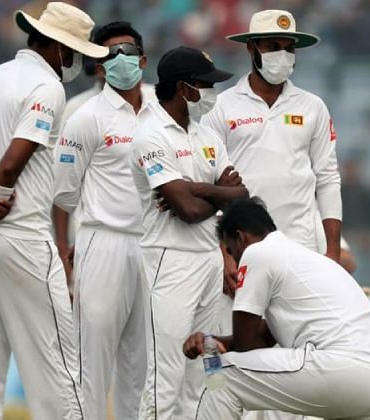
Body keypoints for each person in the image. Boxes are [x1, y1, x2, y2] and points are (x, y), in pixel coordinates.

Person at [0, 2, 107, 419]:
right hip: (21, 238)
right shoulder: (48, 88)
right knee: (58, 363)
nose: (77, 63)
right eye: (77, 53)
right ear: (60, 49)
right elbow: (10, 166)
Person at [183, 198, 370, 420]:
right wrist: (212, 341)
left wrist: (215, 349)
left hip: (345, 370)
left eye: (230, 251)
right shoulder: (305, 260)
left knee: (223, 376)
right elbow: (263, 338)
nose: (234, 260)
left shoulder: (257, 253)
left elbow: (245, 345)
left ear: (241, 238)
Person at [130, 46, 248, 420]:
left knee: (207, 371)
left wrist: (200, 189)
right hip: (169, 260)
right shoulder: (151, 135)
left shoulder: (206, 134)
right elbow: (188, 210)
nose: (211, 93)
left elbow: (241, 194)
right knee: (166, 376)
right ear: (184, 88)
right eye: (204, 85)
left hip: (210, 261)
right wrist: (215, 193)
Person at [201, 9, 342, 299]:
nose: (283, 55)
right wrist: (224, 254)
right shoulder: (222, 107)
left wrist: (333, 252)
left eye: (289, 49)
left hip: (301, 245)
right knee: (243, 338)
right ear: (252, 48)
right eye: (273, 47)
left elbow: (328, 179)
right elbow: (211, 186)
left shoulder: (312, 106)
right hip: (243, 247)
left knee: (299, 337)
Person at [52, 21, 152, 420]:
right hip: (102, 242)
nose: (121, 61)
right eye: (111, 55)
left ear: (143, 60)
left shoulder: (162, 108)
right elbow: (63, 192)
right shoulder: (85, 116)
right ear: (98, 66)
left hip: (152, 245)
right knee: (91, 361)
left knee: (142, 365)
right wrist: (68, 248)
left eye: (128, 52)